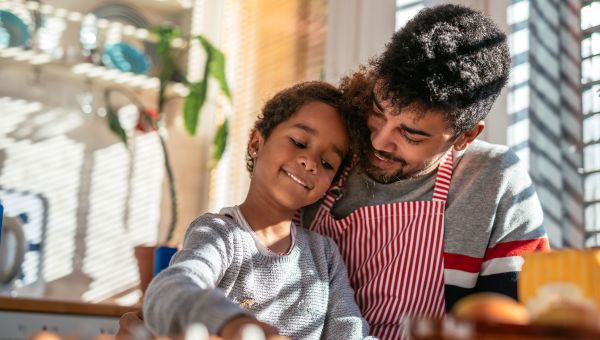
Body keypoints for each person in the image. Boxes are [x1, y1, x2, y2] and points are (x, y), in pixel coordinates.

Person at [301, 4, 550, 339]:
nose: (379, 140)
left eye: (410, 134)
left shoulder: (493, 180)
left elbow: (519, 326)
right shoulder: (330, 149)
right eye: (378, 110)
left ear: (465, 136)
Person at [142, 81, 372, 339]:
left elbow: (351, 333)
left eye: (327, 163)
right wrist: (235, 325)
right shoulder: (220, 234)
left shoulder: (325, 256)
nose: (310, 163)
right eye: (298, 142)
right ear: (256, 143)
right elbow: (170, 290)